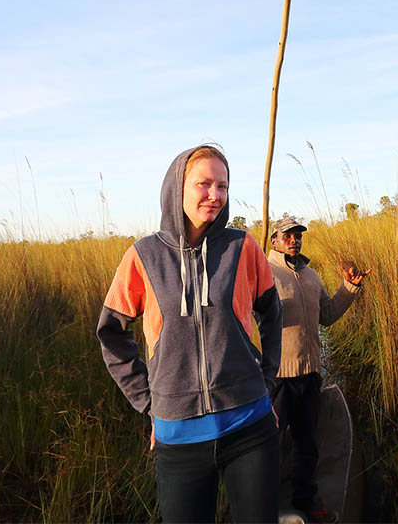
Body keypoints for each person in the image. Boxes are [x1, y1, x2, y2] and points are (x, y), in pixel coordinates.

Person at [97, 145, 283, 523]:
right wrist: (150, 402)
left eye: (223, 186)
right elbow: (111, 333)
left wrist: (265, 381)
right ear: (177, 188)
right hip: (178, 438)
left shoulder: (241, 246)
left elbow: (273, 313)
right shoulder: (144, 256)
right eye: (204, 184)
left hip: (249, 428)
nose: (215, 196)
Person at [268, 216, 370, 523]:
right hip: (275, 378)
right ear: (274, 240)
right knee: (268, 445)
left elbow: (326, 314)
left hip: (310, 373)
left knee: (306, 443)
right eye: (287, 235)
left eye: (298, 235)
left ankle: (304, 500)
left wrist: (349, 288)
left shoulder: (310, 276)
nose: (294, 240)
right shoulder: (263, 273)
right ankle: (261, 506)